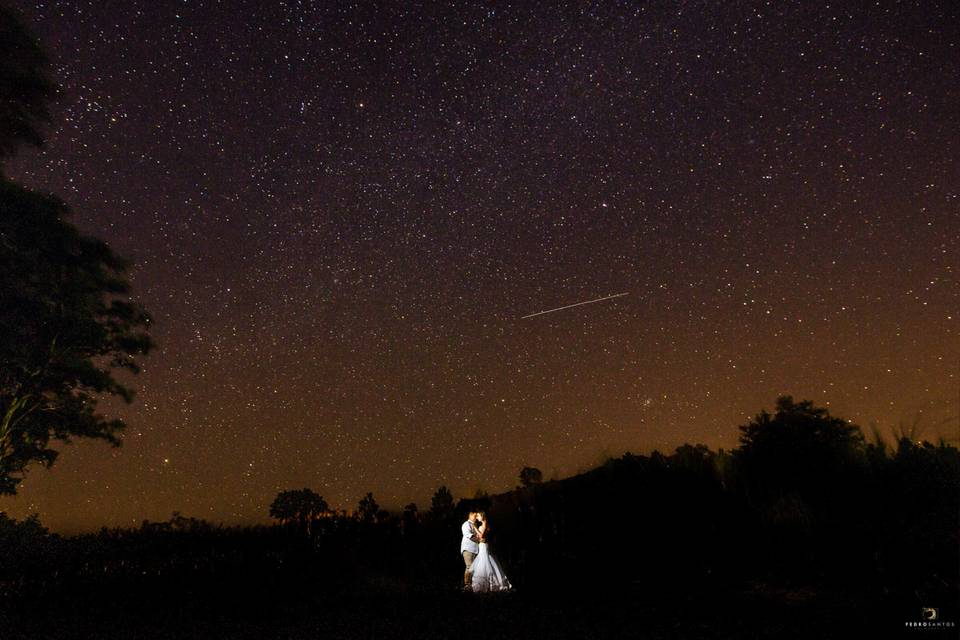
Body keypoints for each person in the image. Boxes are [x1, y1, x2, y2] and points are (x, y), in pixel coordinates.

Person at [470, 511, 513, 593]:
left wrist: (475, 528)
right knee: (483, 562)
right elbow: (480, 537)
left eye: (478, 516)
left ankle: (490, 583)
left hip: (484, 546)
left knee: (485, 562)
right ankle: (485, 584)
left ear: (482, 516)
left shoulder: (485, 524)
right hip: (481, 545)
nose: (477, 518)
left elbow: (482, 536)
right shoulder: (482, 525)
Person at [460, 511, 480, 591]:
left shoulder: (475, 525)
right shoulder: (466, 524)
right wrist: (480, 540)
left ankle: (472, 584)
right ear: (470, 515)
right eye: (475, 516)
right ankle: (467, 584)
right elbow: (469, 535)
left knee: (474, 567)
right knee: (469, 566)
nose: (476, 518)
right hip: (468, 548)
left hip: (475, 549)